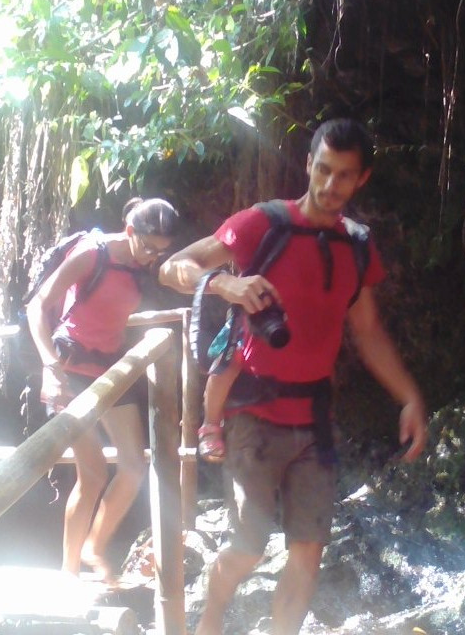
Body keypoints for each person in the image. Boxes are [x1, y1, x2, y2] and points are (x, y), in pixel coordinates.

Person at [159, 118, 428, 635]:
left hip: (315, 417)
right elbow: (174, 267)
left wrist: (409, 397)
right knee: (247, 548)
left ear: (361, 179)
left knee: (308, 552)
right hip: (252, 413)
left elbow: (368, 332)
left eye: (344, 176)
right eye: (323, 170)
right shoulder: (263, 224)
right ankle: (209, 618)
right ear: (308, 164)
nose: (330, 185)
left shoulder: (356, 246)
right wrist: (225, 286)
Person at [26, 196, 179, 584]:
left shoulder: (143, 266)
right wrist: (49, 368)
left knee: (133, 465)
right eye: (147, 247)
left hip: (109, 371)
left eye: (161, 251)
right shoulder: (92, 254)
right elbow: (37, 306)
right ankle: (69, 572)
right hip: (70, 368)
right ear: (130, 231)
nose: (152, 257)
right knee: (92, 473)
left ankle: (95, 546)